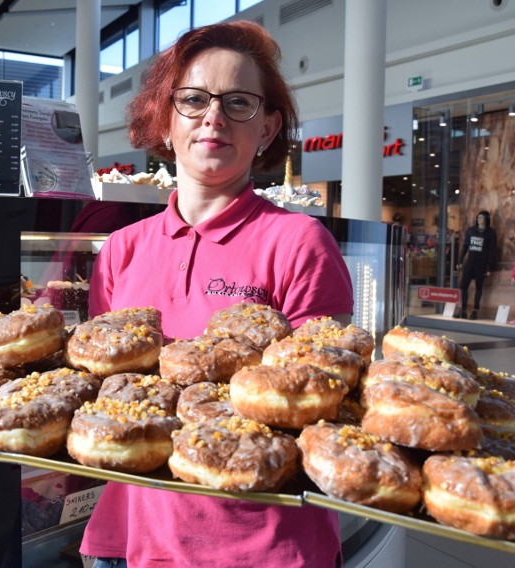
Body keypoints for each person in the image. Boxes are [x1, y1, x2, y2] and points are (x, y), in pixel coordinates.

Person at [79, 21, 354, 568]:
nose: (214, 117)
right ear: (166, 116)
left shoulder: (299, 243)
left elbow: (327, 399)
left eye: (239, 102)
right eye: (194, 99)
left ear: (269, 127)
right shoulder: (121, 249)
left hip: (261, 546)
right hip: (128, 539)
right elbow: (104, 389)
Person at [457, 210, 497, 320]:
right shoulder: (471, 230)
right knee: (463, 286)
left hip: (482, 264)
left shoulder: (490, 233)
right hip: (470, 262)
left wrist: (489, 267)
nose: (479, 220)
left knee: (479, 287)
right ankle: (463, 309)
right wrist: (460, 261)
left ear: (486, 219)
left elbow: (492, 251)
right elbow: (465, 246)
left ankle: (475, 310)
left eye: (482, 218)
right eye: (478, 217)